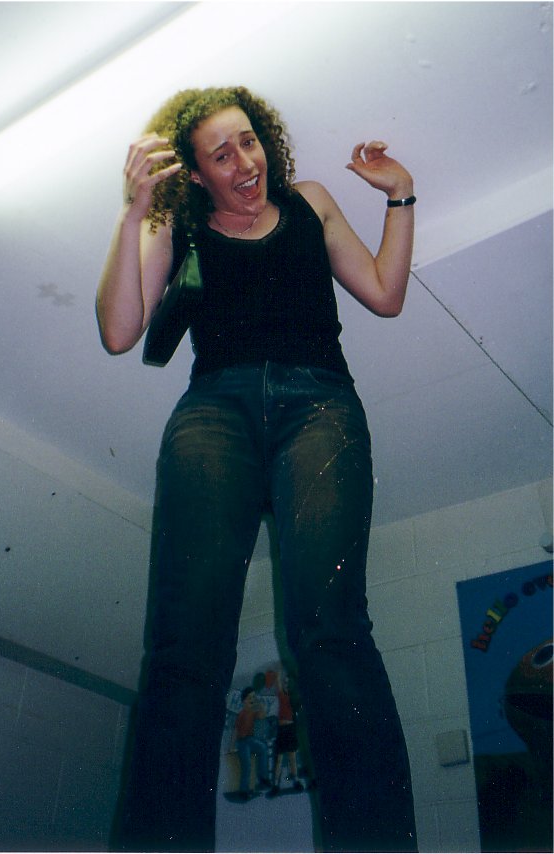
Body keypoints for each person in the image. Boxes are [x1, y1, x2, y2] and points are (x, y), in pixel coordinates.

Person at [97, 86, 417, 853]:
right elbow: (118, 331)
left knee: (330, 630)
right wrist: (134, 213)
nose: (245, 162)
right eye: (221, 153)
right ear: (195, 174)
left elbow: (384, 294)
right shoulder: (178, 225)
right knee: (184, 646)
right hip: (216, 415)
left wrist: (400, 194)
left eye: (248, 141)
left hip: (319, 406)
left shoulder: (310, 202)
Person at [267, 671, 304, 797]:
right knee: (279, 759)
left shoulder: (295, 697)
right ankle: (275, 785)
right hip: (282, 730)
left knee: (292, 758)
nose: (287, 684)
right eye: (285, 682)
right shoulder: (281, 694)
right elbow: (278, 682)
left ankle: (296, 781)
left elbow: (299, 709)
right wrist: (278, 675)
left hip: (291, 729)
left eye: (289, 682)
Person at [229, 687, 271, 799]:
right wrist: (232, 746)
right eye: (249, 698)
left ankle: (263, 778)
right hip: (242, 742)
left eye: (253, 697)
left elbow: (262, 715)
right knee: (246, 765)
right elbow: (235, 731)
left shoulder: (253, 712)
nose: (252, 700)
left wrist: (260, 704)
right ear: (244, 701)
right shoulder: (241, 714)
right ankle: (244, 790)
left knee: (263, 748)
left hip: (251, 740)